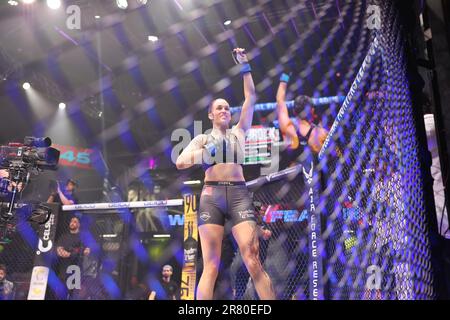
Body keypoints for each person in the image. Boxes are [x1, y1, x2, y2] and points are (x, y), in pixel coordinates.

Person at [176, 48, 275, 300]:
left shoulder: (239, 132)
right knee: (210, 266)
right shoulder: (201, 138)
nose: (224, 110)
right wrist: (207, 151)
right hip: (212, 195)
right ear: (210, 115)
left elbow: (250, 97)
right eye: (219, 108)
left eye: (227, 108)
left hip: (240, 194)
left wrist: (245, 66)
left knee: (252, 259)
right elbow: (180, 162)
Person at [275, 71, 329, 156]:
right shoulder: (321, 133)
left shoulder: (288, 128)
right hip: (316, 167)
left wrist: (284, 77)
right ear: (312, 111)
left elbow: (280, 100)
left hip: (294, 167)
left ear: (294, 111)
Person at [55, 216, 91, 299]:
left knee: (75, 295)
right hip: (63, 271)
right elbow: (59, 251)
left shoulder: (83, 237)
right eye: (71, 221)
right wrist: (75, 253)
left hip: (77, 271)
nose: (72, 223)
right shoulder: (63, 237)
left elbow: (87, 251)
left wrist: (70, 254)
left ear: (79, 224)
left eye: (75, 221)